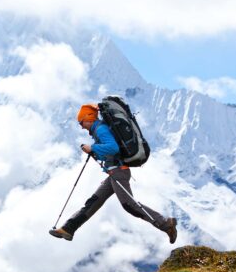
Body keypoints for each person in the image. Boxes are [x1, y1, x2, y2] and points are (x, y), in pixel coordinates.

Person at [49, 104, 178, 243]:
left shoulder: (101, 129)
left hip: (118, 172)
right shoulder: (99, 129)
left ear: (88, 118)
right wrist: (94, 151)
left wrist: (92, 147)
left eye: (81, 122)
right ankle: (68, 229)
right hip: (114, 173)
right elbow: (109, 150)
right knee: (93, 202)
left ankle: (166, 224)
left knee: (129, 205)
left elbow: (113, 148)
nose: (81, 126)